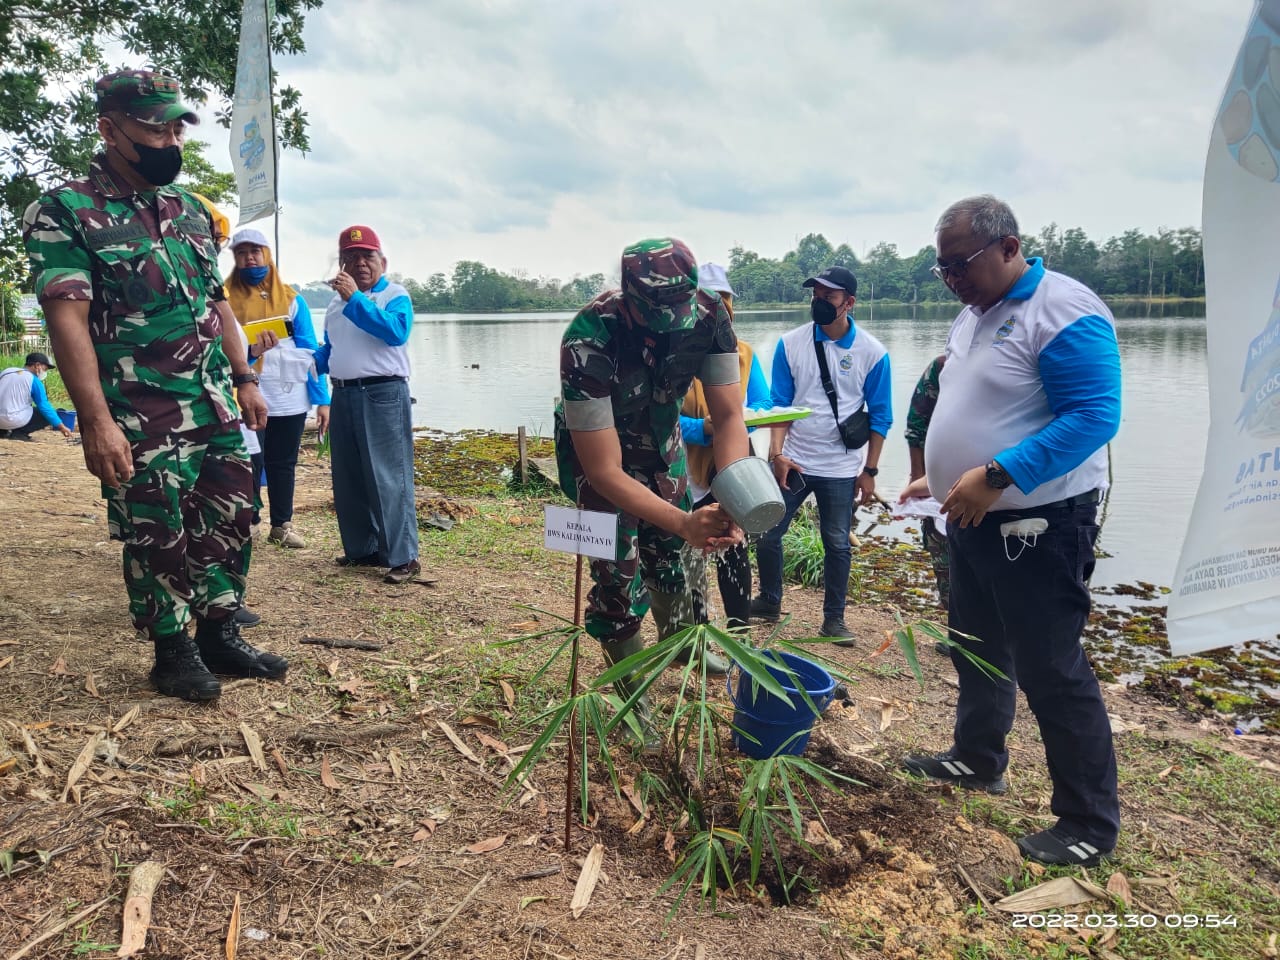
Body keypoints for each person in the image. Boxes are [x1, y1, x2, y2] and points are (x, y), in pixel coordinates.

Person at [22, 69, 288, 701]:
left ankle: (220, 631)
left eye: (175, 128)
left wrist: (245, 377)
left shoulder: (193, 211)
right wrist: (95, 419)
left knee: (230, 514)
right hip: (139, 410)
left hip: (214, 399)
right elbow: (68, 318)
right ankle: (173, 650)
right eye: (153, 127)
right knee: (154, 528)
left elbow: (217, 305)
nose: (168, 140)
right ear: (109, 130)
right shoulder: (65, 210)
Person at [900, 194, 1122, 868]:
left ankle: (1086, 822)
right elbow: (973, 400)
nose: (952, 279)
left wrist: (995, 473)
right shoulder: (975, 316)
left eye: (959, 264)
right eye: (941, 269)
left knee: (1050, 667)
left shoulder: (1062, 310)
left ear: (1007, 246)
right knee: (975, 644)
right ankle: (977, 758)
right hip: (970, 517)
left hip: (1038, 522)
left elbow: (1093, 415)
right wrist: (934, 477)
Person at [557, 238, 750, 727]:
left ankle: (685, 645)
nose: (668, 329)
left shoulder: (709, 316)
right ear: (628, 297)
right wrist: (686, 519)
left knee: (678, 556)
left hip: (662, 444)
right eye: (654, 316)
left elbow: (728, 416)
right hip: (596, 455)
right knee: (616, 575)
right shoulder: (588, 337)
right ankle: (633, 704)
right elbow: (604, 470)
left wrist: (731, 500)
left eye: (677, 315)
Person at [750, 266, 892, 643]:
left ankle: (834, 620)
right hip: (794, 460)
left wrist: (871, 471)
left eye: (828, 296)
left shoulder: (873, 353)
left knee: (837, 542)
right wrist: (776, 454)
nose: (819, 301)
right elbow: (780, 405)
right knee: (767, 531)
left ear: (849, 302)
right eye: (815, 294)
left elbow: (881, 417)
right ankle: (768, 600)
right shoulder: (790, 344)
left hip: (841, 467)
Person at [315, 225, 420, 584]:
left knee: (389, 477)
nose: (360, 264)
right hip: (342, 391)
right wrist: (295, 361)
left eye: (367, 257)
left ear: (382, 261)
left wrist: (354, 300)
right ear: (341, 262)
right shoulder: (333, 303)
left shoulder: (394, 294)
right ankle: (363, 548)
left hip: (383, 393)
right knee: (349, 476)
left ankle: (403, 556)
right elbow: (330, 349)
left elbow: (395, 332)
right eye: (352, 257)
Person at [679, 262, 772, 631]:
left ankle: (739, 630)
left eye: (722, 304)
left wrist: (738, 418)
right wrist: (703, 427)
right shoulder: (677, 361)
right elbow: (664, 420)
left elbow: (763, 405)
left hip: (728, 465)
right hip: (685, 469)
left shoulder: (744, 354)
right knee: (689, 550)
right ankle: (696, 631)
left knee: (732, 548)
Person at [225, 227, 331, 549]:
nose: (250, 258)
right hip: (244, 393)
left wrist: (322, 399)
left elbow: (310, 353)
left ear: (267, 254)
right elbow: (217, 349)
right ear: (235, 258)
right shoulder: (224, 299)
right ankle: (252, 521)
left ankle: (281, 525)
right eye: (242, 253)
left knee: (283, 461)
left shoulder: (292, 300)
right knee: (249, 460)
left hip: (290, 397)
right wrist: (251, 352)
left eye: (255, 251)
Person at [904, 355, 952, 648]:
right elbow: (916, 425)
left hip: (998, 489)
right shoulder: (942, 367)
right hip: (940, 490)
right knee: (944, 561)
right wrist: (919, 479)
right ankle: (958, 630)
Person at [0, 352, 75, 442]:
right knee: (44, 414)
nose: (45, 372)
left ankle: (2, 432)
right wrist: (61, 426)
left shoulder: (6, 372)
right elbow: (44, 407)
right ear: (37, 365)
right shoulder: (33, 380)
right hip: (13, 420)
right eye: (45, 369)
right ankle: (19, 433)